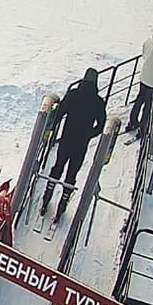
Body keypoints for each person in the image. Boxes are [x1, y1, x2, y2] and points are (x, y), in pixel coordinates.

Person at [41, 68, 107, 218]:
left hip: (66, 139)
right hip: (81, 144)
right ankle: (63, 203)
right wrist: (89, 134)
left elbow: (59, 113)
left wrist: (51, 127)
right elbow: (100, 125)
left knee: (58, 167)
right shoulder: (98, 102)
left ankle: (47, 196)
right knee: (72, 173)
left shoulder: (73, 94)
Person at [125, 23, 153, 143]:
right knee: (148, 105)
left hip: (144, 76)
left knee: (139, 99)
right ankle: (142, 127)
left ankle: (132, 121)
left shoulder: (149, 40)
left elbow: (144, 52)